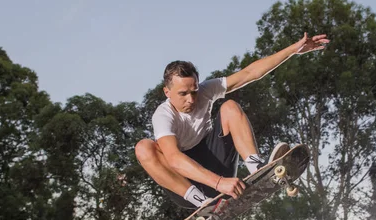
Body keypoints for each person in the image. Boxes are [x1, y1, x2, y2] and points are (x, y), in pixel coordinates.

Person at [135, 33, 329, 209]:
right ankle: (204, 204)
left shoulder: (206, 90)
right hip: (188, 184)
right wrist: (219, 183)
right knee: (144, 147)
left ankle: (259, 171)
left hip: (216, 162)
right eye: (183, 94)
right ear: (167, 92)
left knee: (229, 107)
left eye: (194, 91)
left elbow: (249, 73)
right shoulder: (163, 115)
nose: (191, 99)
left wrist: (293, 50)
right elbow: (174, 160)